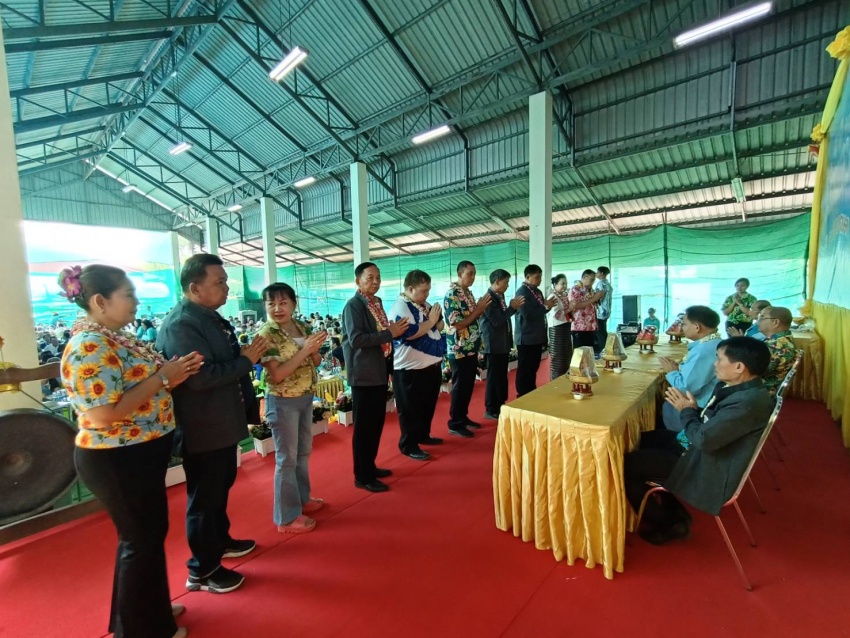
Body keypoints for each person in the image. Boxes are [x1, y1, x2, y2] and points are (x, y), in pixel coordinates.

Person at [58, 264, 204, 638]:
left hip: (139, 451)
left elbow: (140, 387)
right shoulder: (89, 347)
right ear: (99, 301)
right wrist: (164, 377)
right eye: (129, 294)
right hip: (117, 458)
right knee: (140, 540)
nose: (137, 302)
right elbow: (103, 414)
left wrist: (172, 374)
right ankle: (142, 628)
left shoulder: (113, 338)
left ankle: (148, 609)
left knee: (147, 537)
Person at [157, 254, 269, 595]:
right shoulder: (182, 325)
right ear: (195, 288)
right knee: (204, 498)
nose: (226, 288)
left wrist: (244, 357)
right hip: (202, 424)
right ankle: (202, 570)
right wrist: (246, 360)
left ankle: (220, 542)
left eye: (225, 281)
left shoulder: (206, 317)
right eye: (219, 282)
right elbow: (200, 378)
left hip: (220, 420)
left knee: (220, 487)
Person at [624, 337, 775, 545]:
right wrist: (693, 411)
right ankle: (674, 510)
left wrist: (687, 411)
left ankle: (667, 523)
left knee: (626, 466)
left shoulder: (746, 404)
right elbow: (710, 426)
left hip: (705, 463)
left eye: (719, 359)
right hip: (698, 448)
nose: (715, 364)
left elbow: (703, 440)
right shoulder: (742, 389)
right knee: (644, 439)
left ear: (739, 367)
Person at [258, 283, 327, 534]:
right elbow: (277, 374)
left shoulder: (302, 327)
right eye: (271, 303)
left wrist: (315, 351)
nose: (277, 308)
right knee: (286, 459)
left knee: (303, 452)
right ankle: (286, 518)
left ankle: (301, 499)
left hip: (305, 396)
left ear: (293, 304)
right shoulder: (266, 334)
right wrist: (305, 350)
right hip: (282, 400)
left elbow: (316, 361)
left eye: (283, 303)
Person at [343, 262, 409, 492]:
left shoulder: (376, 302)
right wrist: (390, 333)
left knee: (375, 423)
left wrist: (391, 332)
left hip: (379, 370)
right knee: (364, 427)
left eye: (378, 278)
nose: (375, 282)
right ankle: (362, 476)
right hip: (364, 373)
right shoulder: (354, 305)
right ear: (358, 281)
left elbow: (382, 333)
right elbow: (356, 339)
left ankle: (369, 466)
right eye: (370, 277)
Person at [389, 269, 446, 461]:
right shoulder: (400, 307)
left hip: (431, 366)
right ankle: (408, 444)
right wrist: (431, 321)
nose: (427, 295)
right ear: (411, 289)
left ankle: (423, 435)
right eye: (424, 291)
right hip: (410, 368)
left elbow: (440, 326)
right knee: (410, 409)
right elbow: (411, 333)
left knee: (427, 405)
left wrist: (436, 319)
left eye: (429, 290)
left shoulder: (424, 305)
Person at [443, 261, 492, 437]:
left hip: (471, 346)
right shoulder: (452, 295)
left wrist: (480, 310)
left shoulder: (468, 293)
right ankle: (455, 423)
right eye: (469, 273)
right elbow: (457, 324)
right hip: (459, 348)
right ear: (460, 273)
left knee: (468, 385)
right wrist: (478, 310)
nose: (473, 277)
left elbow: (473, 317)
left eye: (474, 274)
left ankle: (463, 417)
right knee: (459, 387)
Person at [658, 306, 722, 431]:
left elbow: (686, 388)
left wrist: (672, 372)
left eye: (684, 324)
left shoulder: (703, 351)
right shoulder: (715, 342)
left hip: (697, 409)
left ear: (697, 327)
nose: (682, 328)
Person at [481, 269, 524, 419]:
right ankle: (491, 408)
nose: (507, 285)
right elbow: (497, 320)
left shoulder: (499, 296)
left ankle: (500, 403)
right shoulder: (488, 298)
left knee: (501, 376)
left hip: (502, 342)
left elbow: (504, 317)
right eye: (505, 282)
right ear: (497, 281)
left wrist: (512, 308)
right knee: (494, 377)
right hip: (493, 344)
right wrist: (513, 308)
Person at [514, 264, 557, 397]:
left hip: (537, 335)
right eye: (537, 277)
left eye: (540, 277)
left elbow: (540, 311)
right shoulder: (521, 292)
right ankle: (522, 394)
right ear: (528, 277)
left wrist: (548, 306)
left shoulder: (537, 291)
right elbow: (528, 314)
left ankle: (530, 391)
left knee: (533, 367)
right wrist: (545, 306)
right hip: (526, 337)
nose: (540, 279)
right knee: (525, 368)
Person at [757, 306, 797, 393]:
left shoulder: (776, 345)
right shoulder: (784, 338)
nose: (757, 321)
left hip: (760, 390)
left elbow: (753, 371)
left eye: (762, 317)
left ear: (775, 322)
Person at [568, 269, 604, 349]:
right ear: (585, 278)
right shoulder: (575, 289)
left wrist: (597, 299)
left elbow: (592, 303)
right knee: (580, 353)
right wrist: (594, 299)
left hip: (591, 326)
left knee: (589, 352)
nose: (593, 282)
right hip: (580, 327)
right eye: (591, 280)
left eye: (593, 280)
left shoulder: (590, 290)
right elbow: (575, 306)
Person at [548, 273, 573, 380]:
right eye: (562, 284)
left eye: (566, 284)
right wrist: (570, 309)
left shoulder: (564, 296)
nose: (564, 286)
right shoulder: (552, 297)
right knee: (558, 358)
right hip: (557, 329)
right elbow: (557, 315)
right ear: (555, 285)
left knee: (566, 355)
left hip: (565, 327)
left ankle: (564, 379)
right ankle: (556, 381)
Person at [593, 266, 613, 356]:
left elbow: (597, 297)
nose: (596, 273)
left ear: (601, 273)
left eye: (597, 272)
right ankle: (607, 350)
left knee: (601, 334)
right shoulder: (608, 284)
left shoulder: (601, 284)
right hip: (606, 311)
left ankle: (604, 353)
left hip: (600, 312)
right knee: (603, 332)